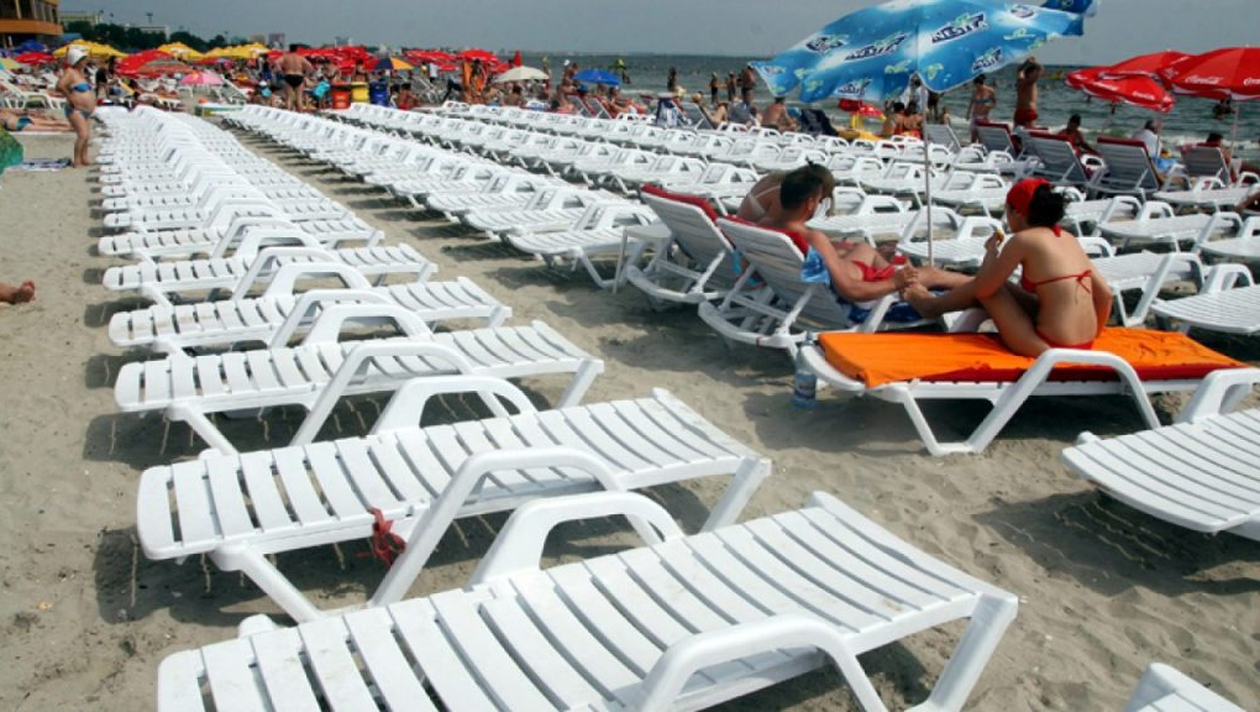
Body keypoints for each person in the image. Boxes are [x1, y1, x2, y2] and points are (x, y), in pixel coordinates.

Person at [902, 178, 1114, 356]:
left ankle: (931, 306)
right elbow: (1105, 295)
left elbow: (984, 289)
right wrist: (1093, 334)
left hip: (1048, 347)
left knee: (992, 291)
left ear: (1018, 212)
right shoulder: (1068, 237)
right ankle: (938, 283)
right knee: (1004, 285)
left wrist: (991, 253)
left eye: (1007, 211)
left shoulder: (1023, 240)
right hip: (1085, 343)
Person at [755, 165, 969, 304]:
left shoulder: (766, 225)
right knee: (932, 272)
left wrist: (839, 250)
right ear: (810, 203)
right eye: (821, 200)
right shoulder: (813, 238)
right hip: (861, 287)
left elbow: (822, 256)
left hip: (797, 285)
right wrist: (894, 283)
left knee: (864, 248)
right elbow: (851, 291)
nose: (821, 204)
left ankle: (902, 279)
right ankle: (977, 284)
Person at [55, 46, 95, 168]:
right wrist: (70, 97)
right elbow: (59, 86)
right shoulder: (70, 72)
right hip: (75, 109)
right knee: (83, 135)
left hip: (85, 110)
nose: (85, 62)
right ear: (76, 60)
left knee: (86, 136)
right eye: (82, 60)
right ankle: (77, 160)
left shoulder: (80, 73)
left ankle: (84, 158)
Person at [277, 46, 314, 112]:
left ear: (289, 50)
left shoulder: (286, 57)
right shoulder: (300, 57)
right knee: (299, 98)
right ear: (297, 50)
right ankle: (300, 113)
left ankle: (288, 113)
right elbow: (310, 66)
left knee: (289, 98)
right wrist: (305, 75)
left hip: (289, 75)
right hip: (299, 76)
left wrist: (280, 71)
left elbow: (276, 62)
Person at [1014, 58, 1042, 129]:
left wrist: (1026, 63)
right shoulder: (1031, 82)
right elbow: (1040, 68)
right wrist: (1033, 62)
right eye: (1034, 72)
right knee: (1029, 132)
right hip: (1028, 111)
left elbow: (1019, 70)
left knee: (1016, 133)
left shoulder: (1020, 81)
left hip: (1019, 111)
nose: (1036, 74)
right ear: (1030, 73)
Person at [967, 74, 996, 141]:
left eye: (976, 85)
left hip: (984, 116)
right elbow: (971, 103)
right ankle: (973, 147)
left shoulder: (990, 91)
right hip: (974, 116)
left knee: (981, 137)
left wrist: (989, 106)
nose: (975, 87)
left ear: (980, 84)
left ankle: (981, 147)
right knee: (973, 136)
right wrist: (968, 114)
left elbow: (994, 103)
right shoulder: (975, 92)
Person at [0, 108, 71, 133]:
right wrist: (32, 111)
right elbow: (17, 111)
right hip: (22, 119)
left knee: (53, 128)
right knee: (54, 123)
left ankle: (72, 128)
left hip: (19, 125)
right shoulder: (3, 110)